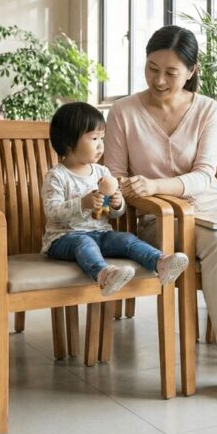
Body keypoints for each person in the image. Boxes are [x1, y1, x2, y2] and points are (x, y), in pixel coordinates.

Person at [104, 25, 217, 405]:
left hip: (215, 207)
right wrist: (130, 192)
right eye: (152, 69)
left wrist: (154, 183)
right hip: (162, 220)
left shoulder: (208, 109)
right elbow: (115, 176)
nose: (159, 80)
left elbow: (204, 175)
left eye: (171, 72)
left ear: (191, 71)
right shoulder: (123, 112)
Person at [42, 102, 188, 295]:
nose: (100, 145)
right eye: (94, 138)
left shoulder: (102, 172)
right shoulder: (57, 176)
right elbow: (52, 212)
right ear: (69, 143)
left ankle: (160, 262)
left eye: (102, 138)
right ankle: (104, 275)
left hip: (101, 233)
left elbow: (113, 214)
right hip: (63, 238)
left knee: (126, 239)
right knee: (84, 243)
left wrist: (117, 203)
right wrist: (82, 203)